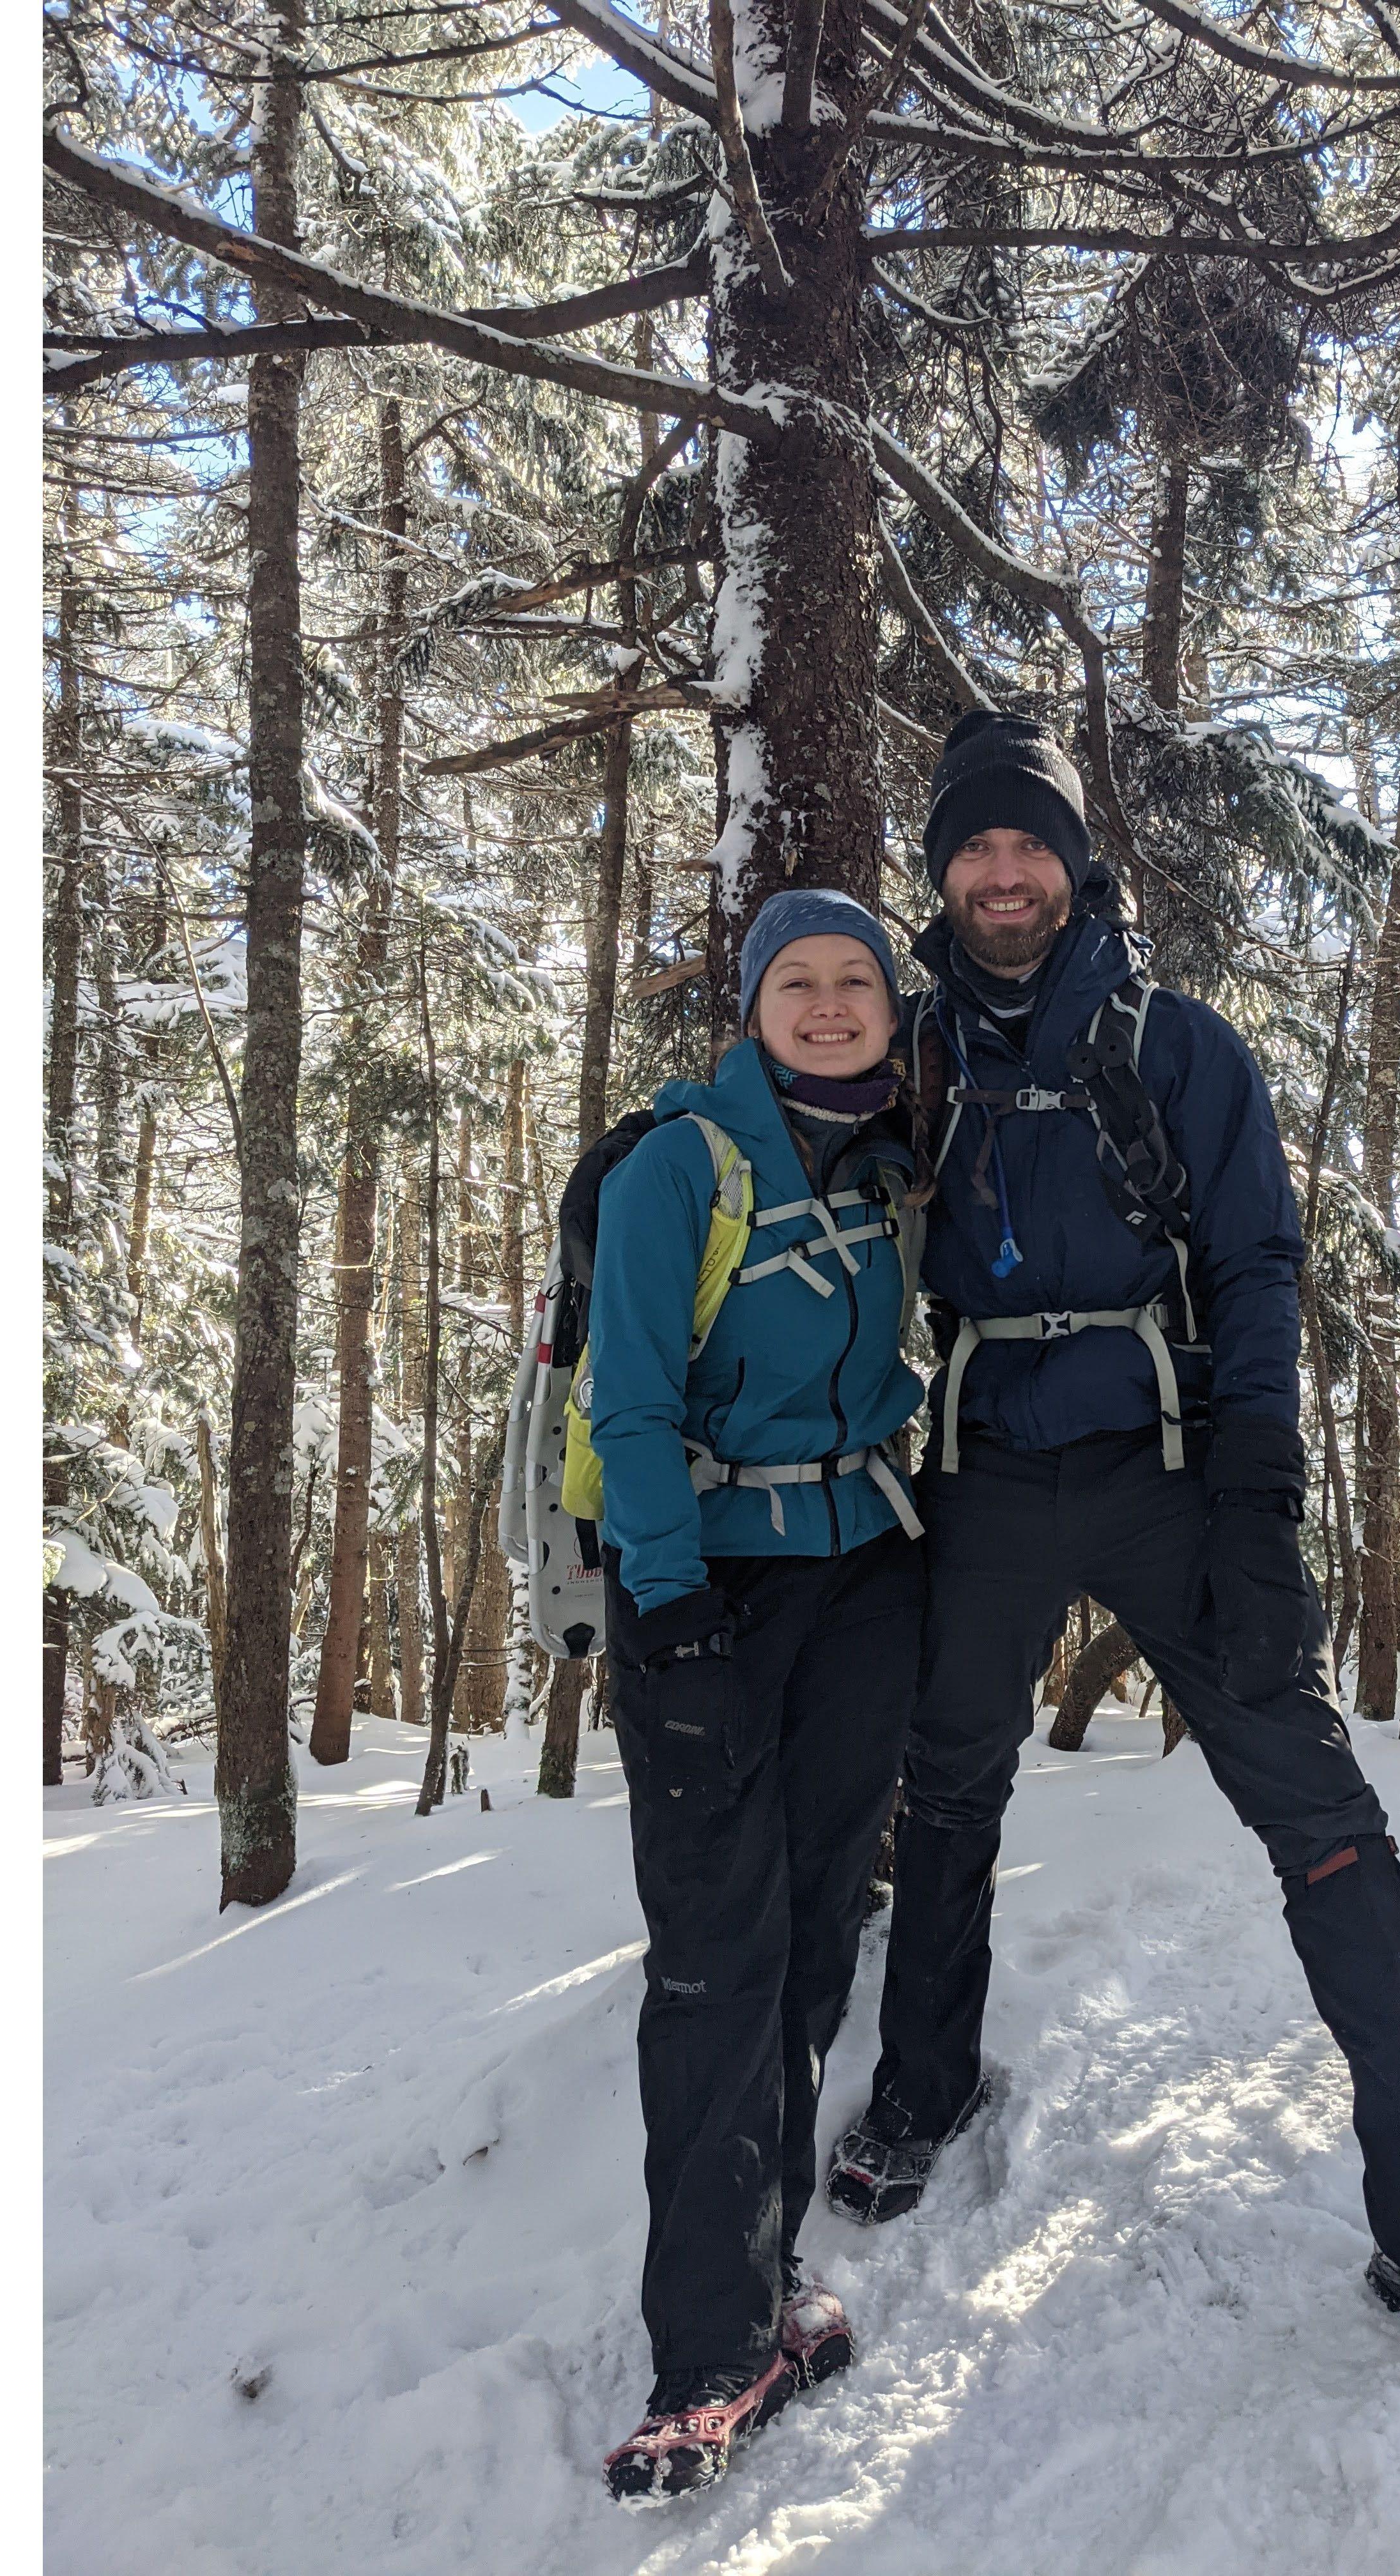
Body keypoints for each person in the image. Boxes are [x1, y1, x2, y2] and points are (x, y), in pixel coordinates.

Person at [826, 710, 1400, 2370]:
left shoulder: (1179, 1046)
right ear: (942, 877)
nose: (1001, 870)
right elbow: (790, 1180)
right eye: (972, 847)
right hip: (975, 1471)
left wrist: (1262, 1483)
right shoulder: (907, 1056)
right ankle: (924, 2082)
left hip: (1169, 1469)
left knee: (1320, 1814)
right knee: (949, 1784)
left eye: (1026, 842)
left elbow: (1256, 1259)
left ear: (1073, 863)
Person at [590, 887, 931, 2499]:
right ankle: (705, 2352)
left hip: (864, 1578)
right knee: (719, 1964)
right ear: (748, 1006)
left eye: (854, 979)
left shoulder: (885, 1162)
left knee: (809, 1936)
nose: (826, 1003)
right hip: (708, 1595)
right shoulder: (685, 1165)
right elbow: (634, 1402)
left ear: (888, 1004)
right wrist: (670, 1617)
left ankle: (773, 2284)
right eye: (794, 980)